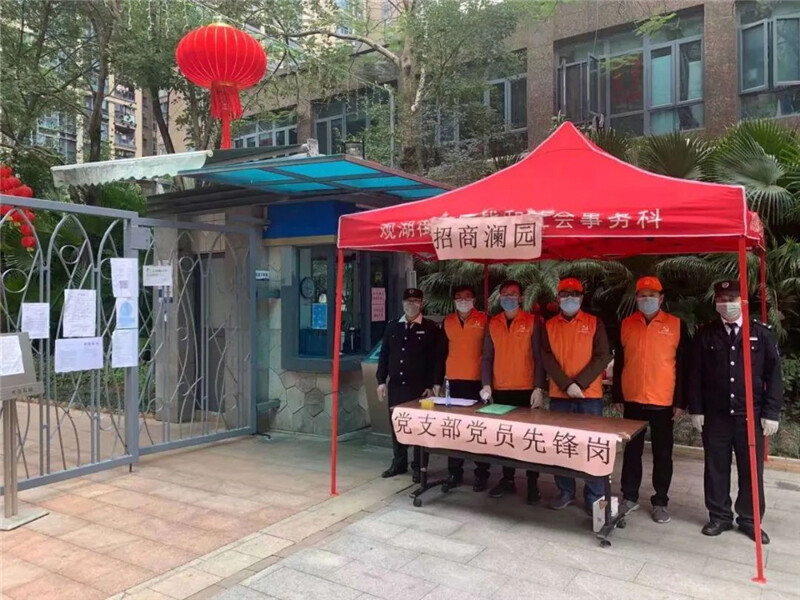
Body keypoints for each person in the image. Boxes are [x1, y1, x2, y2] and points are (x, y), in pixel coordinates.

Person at [688, 280, 783, 543]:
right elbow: (695, 374)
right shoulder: (706, 334)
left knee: (751, 470)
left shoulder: (761, 334)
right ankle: (719, 516)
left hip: (750, 415)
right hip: (716, 415)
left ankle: (750, 519)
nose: (726, 303)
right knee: (715, 468)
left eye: (731, 298)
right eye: (721, 299)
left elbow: (774, 375)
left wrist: (771, 412)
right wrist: (696, 409)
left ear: (742, 301)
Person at [612, 276, 689, 524]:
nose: (647, 299)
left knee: (662, 453)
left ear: (661, 298)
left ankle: (660, 501)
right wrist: (617, 395)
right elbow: (620, 362)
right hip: (632, 398)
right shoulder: (626, 324)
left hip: (663, 400)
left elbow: (684, 366)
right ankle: (629, 496)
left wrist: (680, 401)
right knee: (632, 452)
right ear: (636, 298)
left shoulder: (676, 325)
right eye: (642, 295)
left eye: (652, 295)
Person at [542, 277, 611, 514]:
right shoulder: (549, 325)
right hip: (559, 395)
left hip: (588, 395)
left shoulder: (594, 323)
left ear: (582, 298)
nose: (569, 298)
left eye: (574, 295)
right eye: (565, 294)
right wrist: (565, 384)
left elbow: (603, 355)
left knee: (592, 446)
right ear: (558, 298)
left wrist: (579, 383)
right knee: (561, 446)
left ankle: (595, 496)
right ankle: (565, 491)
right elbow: (546, 357)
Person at [480, 280, 545, 502]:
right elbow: (487, 357)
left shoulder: (532, 321)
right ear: (499, 297)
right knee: (505, 438)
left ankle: (532, 483)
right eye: (505, 294)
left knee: (529, 438)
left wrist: (539, 387)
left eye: (513, 294)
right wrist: (486, 384)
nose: (509, 297)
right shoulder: (493, 322)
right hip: (500, 389)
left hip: (526, 389)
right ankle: (508, 479)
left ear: (521, 297)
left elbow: (539, 357)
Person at [377, 288, 443, 483]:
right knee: (397, 425)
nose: (411, 304)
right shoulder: (392, 327)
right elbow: (384, 355)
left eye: (415, 300)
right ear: (402, 303)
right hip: (397, 386)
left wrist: (434, 384)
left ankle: (419, 466)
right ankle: (398, 462)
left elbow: (437, 359)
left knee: (420, 427)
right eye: (408, 300)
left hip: (420, 389)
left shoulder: (430, 328)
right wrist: (381, 381)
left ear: (421, 303)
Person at [436, 285, 491, 492]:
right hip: (453, 381)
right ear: (454, 301)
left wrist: (488, 383)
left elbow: (490, 352)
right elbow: (441, 352)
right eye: (459, 297)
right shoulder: (448, 321)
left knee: (478, 429)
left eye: (467, 297)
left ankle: (481, 473)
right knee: (453, 429)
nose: (463, 301)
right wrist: (438, 381)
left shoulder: (485, 320)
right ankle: (454, 472)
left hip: (477, 382)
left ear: (474, 300)